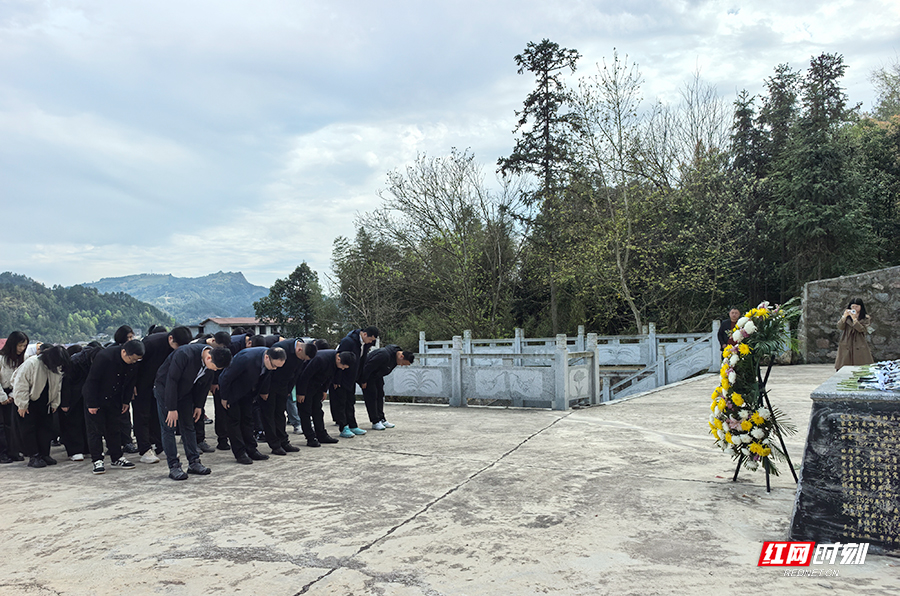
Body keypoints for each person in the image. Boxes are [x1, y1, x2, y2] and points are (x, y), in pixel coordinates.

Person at [155, 343, 232, 480]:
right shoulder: (184, 354)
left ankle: (194, 463)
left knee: (189, 426)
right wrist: (171, 408)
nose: (214, 370)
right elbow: (171, 380)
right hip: (166, 390)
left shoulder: (210, 362)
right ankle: (174, 466)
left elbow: (204, 385)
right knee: (169, 427)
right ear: (208, 358)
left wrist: (198, 406)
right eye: (215, 367)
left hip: (185, 392)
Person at [82, 339, 144, 474]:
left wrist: (126, 401)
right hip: (96, 398)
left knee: (114, 428)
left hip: (115, 398)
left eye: (136, 360)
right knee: (95, 430)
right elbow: (92, 381)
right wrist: (92, 403)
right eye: (132, 359)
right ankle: (97, 460)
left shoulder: (133, 363)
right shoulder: (105, 357)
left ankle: (117, 457)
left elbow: (130, 383)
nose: (133, 362)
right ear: (124, 352)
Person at [133, 326, 193, 464]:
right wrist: (132, 385)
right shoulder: (150, 343)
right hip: (142, 383)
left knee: (158, 414)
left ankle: (160, 446)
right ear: (170, 338)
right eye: (177, 346)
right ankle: (145, 449)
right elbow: (134, 364)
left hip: (161, 385)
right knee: (142, 415)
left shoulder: (181, 348)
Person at [218, 346, 286, 464]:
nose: (274, 369)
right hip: (232, 392)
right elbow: (226, 377)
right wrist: (224, 397)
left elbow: (266, 376)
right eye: (274, 366)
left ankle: (252, 449)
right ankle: (240, 453)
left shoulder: (269, 359)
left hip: (248, 392)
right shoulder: (246, 358)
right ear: (266, 357)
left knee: (248, 420)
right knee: (234, 421)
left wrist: (262, 392)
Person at [11, 345, 69, 468]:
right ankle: (34, 456)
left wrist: (55, 403)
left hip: (46, 402)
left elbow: (57, 386)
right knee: (29, 430)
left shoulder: (56, 367)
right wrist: (22, 404)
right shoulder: (32, 363)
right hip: (30, 402)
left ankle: (44, 454)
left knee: (46, 429)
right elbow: (20, 384)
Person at [260, 338, 316, 455]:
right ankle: (274, 445)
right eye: (302, 358)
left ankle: (284, 442)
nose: (302, 360)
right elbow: (267, 371)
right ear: (299, 349)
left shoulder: (301, 354)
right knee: (269, 415)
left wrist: (289, 390)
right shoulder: (280, 348)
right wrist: (264, 389)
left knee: (280, 414)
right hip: (270, 386)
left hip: (283, 387)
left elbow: (296, 373)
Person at [295, 349, 355, 447]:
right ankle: (310, 437)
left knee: (318, 411)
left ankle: (322, 435)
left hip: (317, 386)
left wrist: (324, 390)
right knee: (305, 411)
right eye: (343, 367)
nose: (343, 369)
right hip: (305, 385)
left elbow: (329, 377)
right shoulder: (320, 359)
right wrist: (301, 393)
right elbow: (305, 375)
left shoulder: (336, 362)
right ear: (339, 358)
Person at [332, 326, 378, 439]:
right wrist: (336, 379)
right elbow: (339, 360)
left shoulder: (365, 344)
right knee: (341, 403)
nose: (371, 342)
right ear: (365, 334)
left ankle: (352, 425)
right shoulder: (348, 341)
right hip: (342, 376)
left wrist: (361, 378)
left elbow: (362, 362)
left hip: (352, 377)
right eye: (371, 339)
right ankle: (343, 427)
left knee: (350, 401)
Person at [59, 344, 102, 461]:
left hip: (88, 395)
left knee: (87, 422)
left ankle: (87, 448)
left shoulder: (97, 361)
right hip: (74, 396)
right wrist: (65, 402)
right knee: (73, 423)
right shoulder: (74, 362)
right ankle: (75, 450)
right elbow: (66, 384)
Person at [359, 345, 414, 430]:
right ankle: (375, 421)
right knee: (372, 396)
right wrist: (363, 381)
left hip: (377, 376)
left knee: (380, 395)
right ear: (401, 356)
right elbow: (368, 367)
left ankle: (381, 418)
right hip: (367, 375)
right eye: (403, 363)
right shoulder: (384, 355)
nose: (402, 365)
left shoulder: (396, 357)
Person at [0, 331, 29, 463]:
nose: (22, 349)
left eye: (24, 346)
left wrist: (12, 395)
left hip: (13, 394)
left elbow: (20, 379)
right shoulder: (1, 358)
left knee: (12, 426)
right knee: (2, 426)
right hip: (2, 394)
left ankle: (13, 451)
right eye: (20, 346)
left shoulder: (22, 359)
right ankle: (3, 453)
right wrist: (3, 397)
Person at [835, 299, 875, 371]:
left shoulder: (866, 318)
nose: (854, 309)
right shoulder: (847, 317)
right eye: (852, 307)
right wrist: (844, 317)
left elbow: (862, 329)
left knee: (861, 363)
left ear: (861, 307)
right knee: (845, 361)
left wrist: (855, 320)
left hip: (859, 341)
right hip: (847, 340)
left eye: (856, 306)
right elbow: (840, 327)